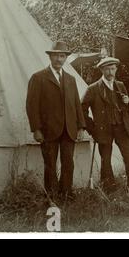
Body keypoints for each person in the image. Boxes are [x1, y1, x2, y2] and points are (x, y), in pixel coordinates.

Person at [26, 41, 86, 200]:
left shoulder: (71, 79)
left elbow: (76, 104)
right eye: (55, 55)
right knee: (50, 165)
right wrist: (36, 129)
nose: (59, 59)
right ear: (50, 57)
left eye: (62, 56)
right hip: (48, 130)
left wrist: (80, 126)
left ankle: (66, 194)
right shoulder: (38, 77)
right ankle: (51, 197)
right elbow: (31, 106)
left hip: (69, 129)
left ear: (66, 57)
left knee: (68, 164)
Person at [81, 56, 129, 193]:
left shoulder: (120, 85)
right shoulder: (93, 89)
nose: (110, 72)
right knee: (106, 160)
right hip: (103, 130)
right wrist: (92, 128)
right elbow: (81, 110)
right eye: (107, 69)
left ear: (116, 69)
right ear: (102, 70)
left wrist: (128, 103)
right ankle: (110, 190)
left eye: (113, 69)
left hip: (121, 127)